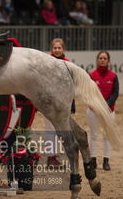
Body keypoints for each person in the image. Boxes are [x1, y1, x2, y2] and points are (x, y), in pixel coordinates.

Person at [45, 38, 76, 166]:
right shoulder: (46, 63)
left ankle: (56, 155)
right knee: (50, 130)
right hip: (49, 102)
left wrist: (72, 103)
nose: (57, 50)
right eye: (55, 48)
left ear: (63, 49)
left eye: (59, 48)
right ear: (51, 49)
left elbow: (71, 86)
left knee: (62, 130)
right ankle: (51, 157)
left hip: (64, 103)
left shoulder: (68, 64)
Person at [87, 51, 119, 171]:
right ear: (97, 60)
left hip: (109, 111)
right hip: (93, 110)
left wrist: (106, 105)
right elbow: (89, 93)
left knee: (107, 136)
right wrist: (97, 105)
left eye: (104, 58)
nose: (102, 60)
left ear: (108, 60)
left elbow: (115, 93)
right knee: (94, 135)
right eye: (100, 58)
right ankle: (93, 160)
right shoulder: (92, 75)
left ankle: (106, 161)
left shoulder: (113, 76)